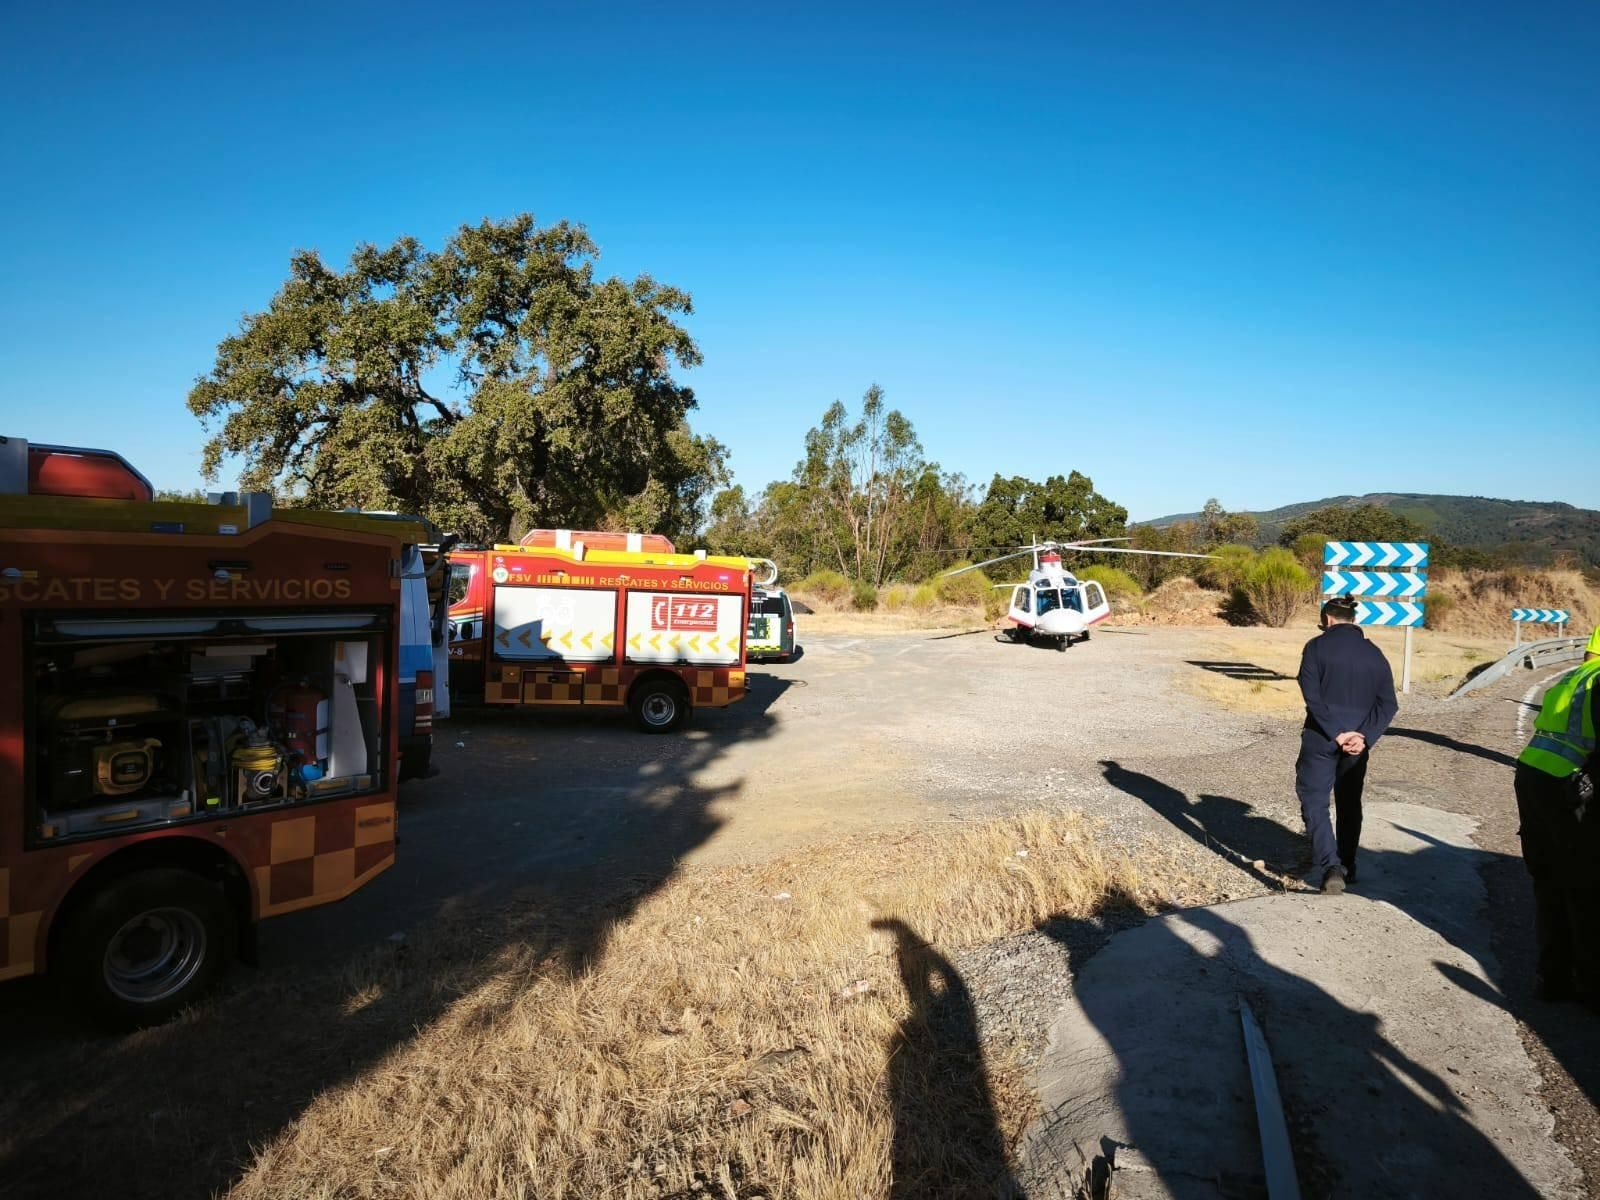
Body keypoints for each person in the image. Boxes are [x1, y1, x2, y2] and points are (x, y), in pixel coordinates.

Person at [1295, 597, 1398, 893]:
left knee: (1314, 799)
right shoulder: (1375, 654)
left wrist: (1337, 733)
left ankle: (1330, 867)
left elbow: (1311, 696)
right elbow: (1388, 704)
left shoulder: (1315, 647)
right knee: (1349, 802)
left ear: (1327, 619)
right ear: (1353, 620)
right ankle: (1349, 865)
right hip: (1358, 745)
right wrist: (1363, 736)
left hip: (1320, 737)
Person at [1514, 653, 1600, 1004]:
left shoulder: (1580, 674)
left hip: (1534, 775)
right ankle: (1592, 987)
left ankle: (1552, 978)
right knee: (1586, 889)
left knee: (1549, 882)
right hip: (1570, 786)